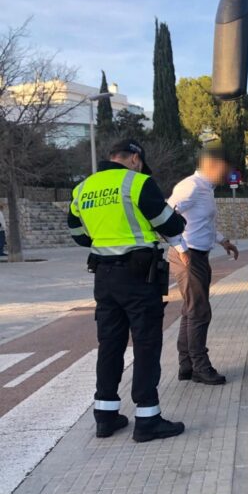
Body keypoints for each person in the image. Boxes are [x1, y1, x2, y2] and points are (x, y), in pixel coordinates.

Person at [68, 139, 187, 442]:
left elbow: (77, 233)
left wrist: (104, 239)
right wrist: (178, 219)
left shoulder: (83, 188)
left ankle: (105, 418)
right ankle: (147, 419)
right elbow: (168, 225)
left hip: (104, 277)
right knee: (146, 345)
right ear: (134, 159)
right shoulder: (137, 182)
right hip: (138, 277)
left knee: (110, 344)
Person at [167, 141, 239, 386]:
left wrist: (223, 241)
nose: (226, 174)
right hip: (189, 256)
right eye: (225, 168)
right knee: (199, 312)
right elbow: (166, 216)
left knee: (191, 310)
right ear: (212, 164)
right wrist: (181, 248)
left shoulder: (204, 189)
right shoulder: (191, 187)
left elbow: (201, 223)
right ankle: (199, 366)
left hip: (197, 254)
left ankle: (186, 365)